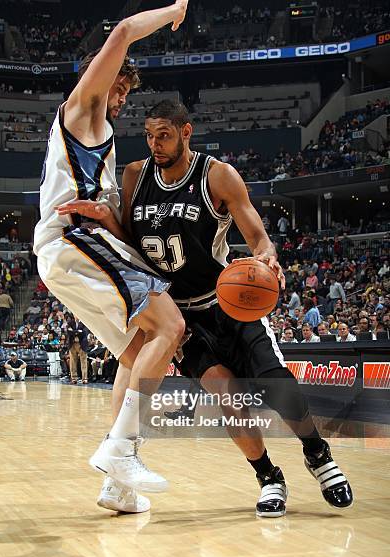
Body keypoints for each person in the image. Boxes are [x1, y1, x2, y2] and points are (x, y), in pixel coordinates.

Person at [65, 100, 353, 516]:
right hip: (179, 317)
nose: (154, 144)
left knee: (277, 384)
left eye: (163, 134)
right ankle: (269, 477)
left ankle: (317, 453)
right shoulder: (135, 176)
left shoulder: (217, 176)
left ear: (186, 132)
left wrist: (267, 257)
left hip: (227, 302)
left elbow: (257, 235)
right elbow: (131, 238)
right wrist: (106, 220)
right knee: (227, 395)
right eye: (148, 135)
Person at [34, 1, 189, 513]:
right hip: (71, 241)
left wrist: (105, 216)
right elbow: (122, 31)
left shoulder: (98, 132)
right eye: (117, 85)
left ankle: (117, 484)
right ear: (98, 74)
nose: (121, 96)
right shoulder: (82, 107)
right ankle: (119, 451)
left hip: (74, 246)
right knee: (170, 325)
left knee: (137, 349)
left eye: (126, 90)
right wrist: (173, 11)